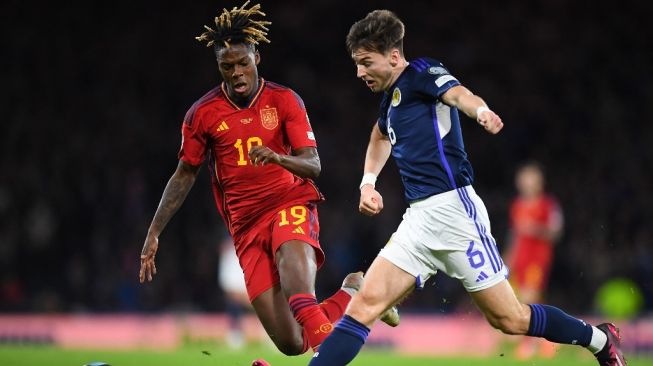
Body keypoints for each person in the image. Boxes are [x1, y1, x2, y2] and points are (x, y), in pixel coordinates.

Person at [307, 9, 626, 366]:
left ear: (393, 56)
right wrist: (368, 183)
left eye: (366, 62)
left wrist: (481, 111)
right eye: (356, 64)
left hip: (456, 213)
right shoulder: (391, 100)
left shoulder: (421, 73)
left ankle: (600, 339)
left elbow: (459, 95)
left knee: (509, 318)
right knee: (364, 304)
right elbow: (379, 135)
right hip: (419, 220)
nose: (359, 72)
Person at [138, 2, 396, 361]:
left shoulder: (284, 100)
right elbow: (184, 174)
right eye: (227, 67)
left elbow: (313, 165)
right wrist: (154, 232)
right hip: (245, 228)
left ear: (257, 56)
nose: (237, 72)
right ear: (219, 67)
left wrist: (278, 157)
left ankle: (329, 358)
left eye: (243, 62)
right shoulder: (203, 114)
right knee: (292, 344)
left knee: (300, 295)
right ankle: (353, 289)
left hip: (288, 203)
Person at [505, 162, 563, 359]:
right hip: (520, 260)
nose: (526, 183)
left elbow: (556, 232)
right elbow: (515, 235)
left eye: (530, 178)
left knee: (530, 298)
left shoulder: (548, 204)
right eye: (523, 179)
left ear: (539, 182)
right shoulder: (517, 205)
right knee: (526, 300)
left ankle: (528, 344)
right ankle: (547, 340)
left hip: (537, 259)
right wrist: (508, 258)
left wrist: (536, 228)